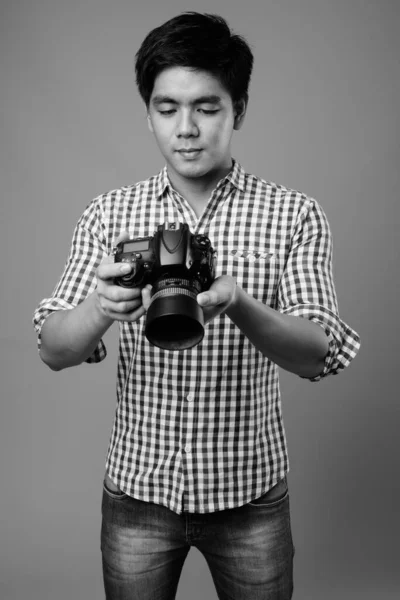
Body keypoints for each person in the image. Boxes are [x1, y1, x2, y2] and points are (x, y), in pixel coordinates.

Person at [33, 12, 360, 600]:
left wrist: (237, 301)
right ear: (148, 114)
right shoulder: (111, 215)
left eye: (207, 108)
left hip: (250, 497)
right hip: (137, 494)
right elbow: (53, 349)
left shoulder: (294, 214)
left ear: (238, 109)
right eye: (167, 109)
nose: (186, 128)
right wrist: (103, 306)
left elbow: (319, 354)